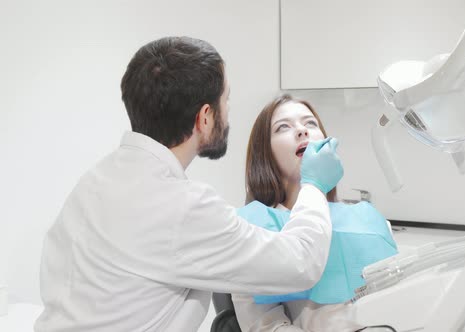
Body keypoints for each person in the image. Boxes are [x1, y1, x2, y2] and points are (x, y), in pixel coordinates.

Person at [35, 37, 344, 332]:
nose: (229, 110)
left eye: (309, 123)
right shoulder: (182, 207)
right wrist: (314, 184)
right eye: (226, 99)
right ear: (205, 118)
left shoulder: (94, 182)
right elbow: (300, 264)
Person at [232, 95, 398, 332]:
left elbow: (398, 299)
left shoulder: (371, 220)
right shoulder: (252, 228)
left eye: (310, 123)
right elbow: (266, 326)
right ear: (265, 153)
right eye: (283, 127)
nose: (302, 131)